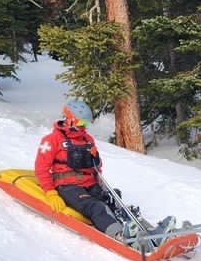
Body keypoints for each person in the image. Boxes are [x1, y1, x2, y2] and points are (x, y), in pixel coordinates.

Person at [34, 99, 176, 246]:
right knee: (97, 207)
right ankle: (121, 235)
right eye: (81, 124)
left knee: (115, 201)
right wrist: (50, 192)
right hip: (68, 186)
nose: (84, 128)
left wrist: (95, 158)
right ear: (69, 120)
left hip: (90, 183)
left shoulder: (87, 140)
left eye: (86, 124)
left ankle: (151, 232)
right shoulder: (51, 140)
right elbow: (41, 168)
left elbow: (97, 167)